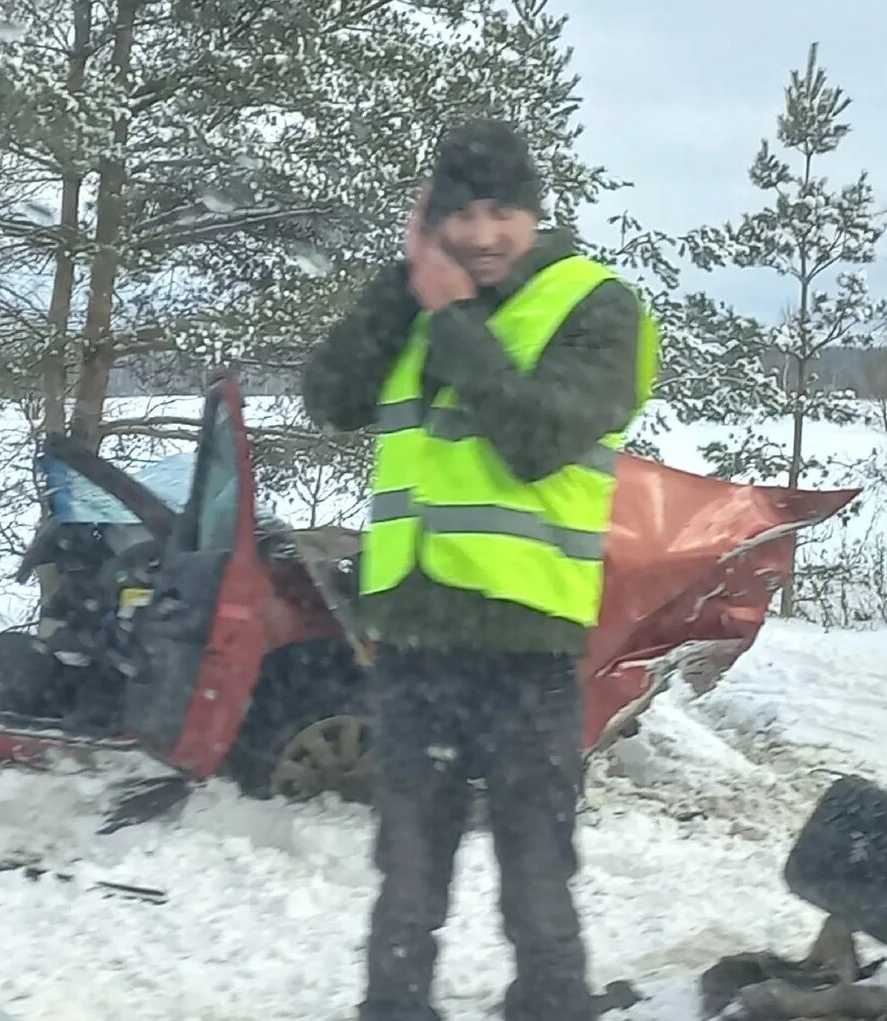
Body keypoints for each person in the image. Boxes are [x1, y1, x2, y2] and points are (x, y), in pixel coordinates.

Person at [302, 117, 661, 1021]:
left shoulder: (595, 305)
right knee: (406, 879)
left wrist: (451, 313)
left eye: (503, 211)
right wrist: (404, 285)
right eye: (461, 212)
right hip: (415, 647)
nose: (484, 233)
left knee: (534, 876)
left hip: (523, 649)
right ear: (434, 218)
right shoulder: (422, 299)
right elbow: (328, 396)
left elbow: (536, 439)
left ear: (534, 215)